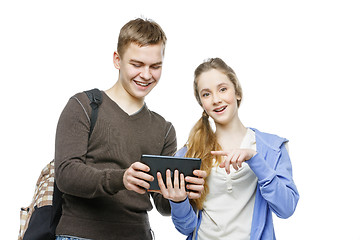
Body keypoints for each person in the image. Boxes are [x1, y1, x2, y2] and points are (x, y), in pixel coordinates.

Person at [54, 18, 206, 240]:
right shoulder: (84, 106)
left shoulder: (163, 129)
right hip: (80, 235)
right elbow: (66, 174)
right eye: (137, 64)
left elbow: (162, 204)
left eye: (155, 66)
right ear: (117, 60)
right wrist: (121, 178)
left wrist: (179, 196)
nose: (146, 75)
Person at [157, 58, 299, 239]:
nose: (216, 100)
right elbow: (186, 228)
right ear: (202, 103)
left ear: (237, 92)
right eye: (206, 94)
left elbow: (286, 209)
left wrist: (255, 160)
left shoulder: (272, 148)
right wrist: (178, 201)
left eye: (222, 89)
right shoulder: (189, 154)